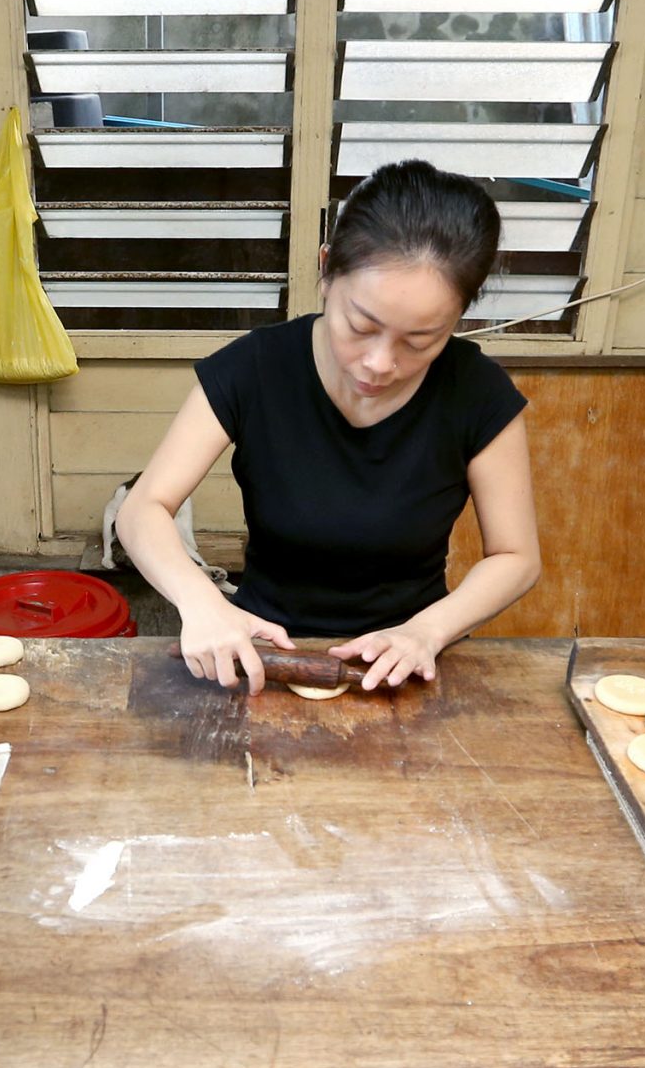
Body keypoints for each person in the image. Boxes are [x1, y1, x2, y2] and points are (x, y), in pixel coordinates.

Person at [115, 160, 541, 693]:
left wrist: (427, 632)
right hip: (263, 648)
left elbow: (515, 556)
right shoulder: (253, 370)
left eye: (421, 341)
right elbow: (143, 510)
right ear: (326, 271)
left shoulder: (478, 394)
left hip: (410, 657)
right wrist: (202, 602)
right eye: (360, 326)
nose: (380, 363)